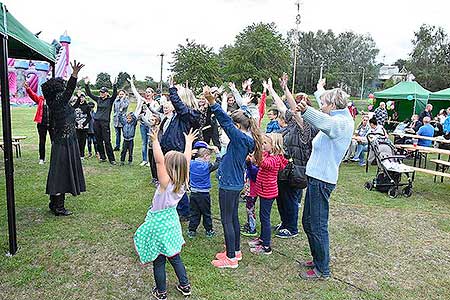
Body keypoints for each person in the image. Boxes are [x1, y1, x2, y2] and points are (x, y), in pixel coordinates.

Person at [296, 79, 354, 280]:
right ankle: (318, 258)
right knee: (308, 222)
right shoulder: (337, 115)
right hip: (315, 178)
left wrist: (306, 111)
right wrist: (320, 88)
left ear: (333, 105)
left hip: (322, 180)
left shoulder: (340, 123)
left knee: (317, 224)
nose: (321, 105)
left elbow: (324, 122)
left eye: (324, 103)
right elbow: (325, 101)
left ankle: (323, 269)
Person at [133, 128, 197, 300]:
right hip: (171, 223)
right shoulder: (183, 180)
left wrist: (155, 140)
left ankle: (161, 292)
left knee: (159, 260)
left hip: (158, 226)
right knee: (174, 256)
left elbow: (159, 162)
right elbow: (186, 160)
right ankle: (185, 286)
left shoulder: (165, 184)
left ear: (168, 167)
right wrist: (189, 142)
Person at [203, 85, 263, 269]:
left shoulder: (238, 137)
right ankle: (235, 250)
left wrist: (212, 102)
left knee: (227, 219)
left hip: (229, 185)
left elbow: (225, 122)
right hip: (234, 183)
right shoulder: (245, 138)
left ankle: (230, 259)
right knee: (233, 218)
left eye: (232, 125)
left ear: (237, 126)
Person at [266, 74, 318, 239]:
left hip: (296, 170)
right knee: (282, 199)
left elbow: (292, 108)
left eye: (300, 105)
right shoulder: (292, 124)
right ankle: (285, 222)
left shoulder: (306, 126)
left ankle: (292, 228)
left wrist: (286, 89)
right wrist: (272, 90)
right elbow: (282, 107)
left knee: (290, 200)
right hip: (284, 169)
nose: (295, 107)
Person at [42, 60, 86, 216]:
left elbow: (69, 99)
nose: (64, 93)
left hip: (66, 141)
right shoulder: (58, 102)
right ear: (57, 92)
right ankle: (58, 207)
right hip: (64, 143)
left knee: (59, 173)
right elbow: (69, 91)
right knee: (61, 174)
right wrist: (74, 75)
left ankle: (54, 204)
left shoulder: (59, 103)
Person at [160, 77, 200, 221]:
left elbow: (178, 104)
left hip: (179, 151)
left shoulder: (190, 114)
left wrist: (172, 88)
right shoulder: (182, 114)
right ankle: (177, 207)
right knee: (173, 181)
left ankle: (184, 211)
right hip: (172, 150)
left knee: (178, 181)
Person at [249, 133, 288, 255]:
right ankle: (262, 239)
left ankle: (266, 246)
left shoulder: (273, 159)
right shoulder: (270, 155)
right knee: (263, 216)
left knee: (265, 218)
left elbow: (262, 163)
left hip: (268, 193)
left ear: (274, 145)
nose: (263, 145)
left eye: (265, 143)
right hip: (264, 191)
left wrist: (255, 155)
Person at [187, 141, 221, 238]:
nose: (210, 158)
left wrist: (189, 153)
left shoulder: (191, 163)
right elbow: (219, 162)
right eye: (209, 156)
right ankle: (209, 230)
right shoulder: (207, 166)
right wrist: (217, 152)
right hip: (204, 194)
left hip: (193, 193)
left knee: (194, 213)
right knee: (206, 213)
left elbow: (183, 159)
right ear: (205, 156)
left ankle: (192, 230)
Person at [84, 78, 117, 164]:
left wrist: (114, 85)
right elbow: (89, 94)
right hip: (96, 122)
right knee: (98, 140)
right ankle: (102, 157)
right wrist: (86, 84)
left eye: (103, 92)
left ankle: (112, 159)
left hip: (105, 123)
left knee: (107, 141)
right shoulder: (98, 99)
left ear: (106, 93)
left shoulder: (110, 100)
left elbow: (114, 94)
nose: (101, 93)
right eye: (100, 92)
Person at [128, 78, 160, 166]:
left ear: (153, 94)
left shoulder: (155, 103)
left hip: (151, 126)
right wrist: (132, 83)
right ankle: (144, 160)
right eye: (146, 92)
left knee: (151, 143)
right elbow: (135, 93)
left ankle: (150, 160)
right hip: (142, 124)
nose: (147, 93)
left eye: (149, 92)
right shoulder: (142, 100)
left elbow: (157, 115)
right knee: (144, 142)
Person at [24, 81, 53, 164]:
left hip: (52, 124)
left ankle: (54, 158)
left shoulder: (53, 101)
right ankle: (41, 159)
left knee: (54, 141)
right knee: (42, 141)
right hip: (41, 124)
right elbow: (33, 95)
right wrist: (28, 88)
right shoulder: (41, 100)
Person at [241, 157, 259, 237]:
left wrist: (248, 162)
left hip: (252, 193)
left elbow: (251, 168)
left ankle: (252, 228)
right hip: (249, 193)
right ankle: (249, 224)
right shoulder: (251, 168)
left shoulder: (254, 169)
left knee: (250, 211)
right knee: (249, 210)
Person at [73, 93, 92, 159]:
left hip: (84, 126)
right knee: (77, 140)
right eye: (80, 97)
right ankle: (77, 154)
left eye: (82, 97)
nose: (81, 99)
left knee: (83, 141)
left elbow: (89, 117)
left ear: (85, 98)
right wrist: (77, 124)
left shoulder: (87, 106)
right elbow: (72, 116)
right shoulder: (75, 106)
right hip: (77, 126)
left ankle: (82, 154)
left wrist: (83, 124)